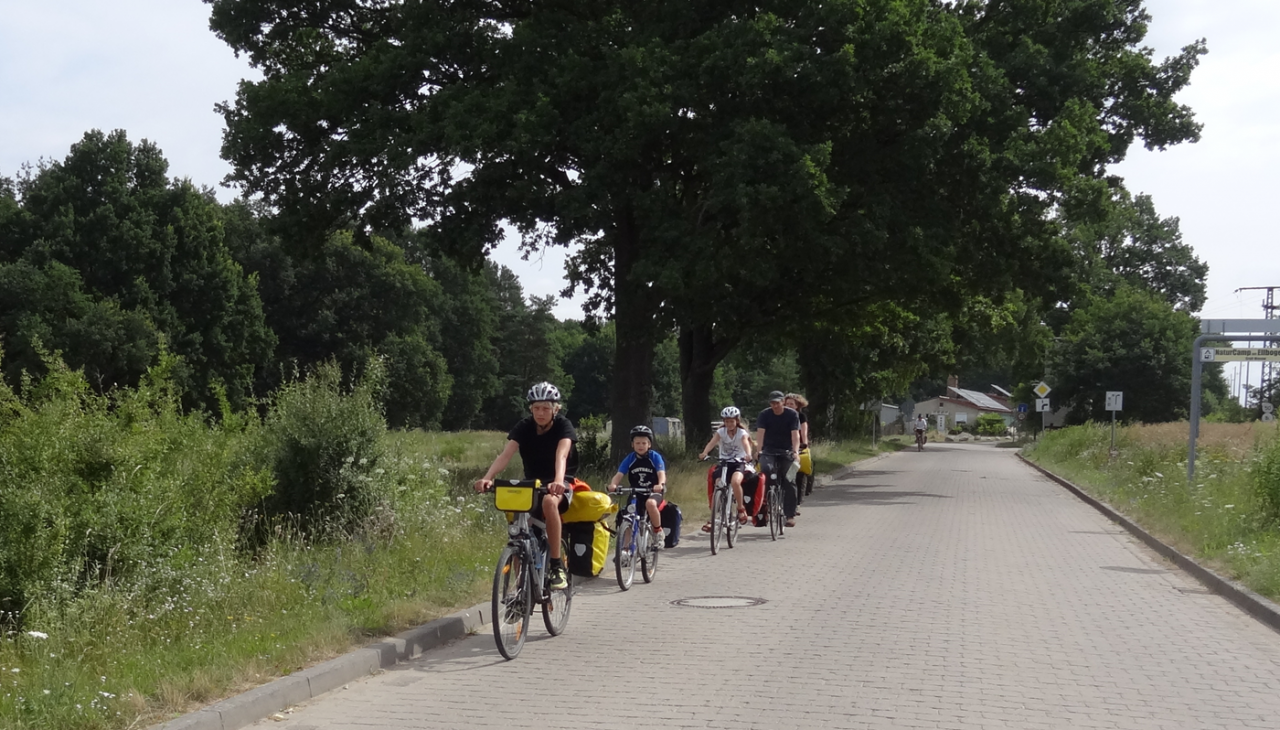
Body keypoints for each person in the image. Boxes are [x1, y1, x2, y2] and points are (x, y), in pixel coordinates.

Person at [475, 382, 579, 590]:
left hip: (561, 481)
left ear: (555, 409)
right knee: (518, 530)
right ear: (531, 409)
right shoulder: (524, 427)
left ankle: (557, 565)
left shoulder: (563, 426)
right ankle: (520, 587)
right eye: (536, 408)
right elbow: (505, 455)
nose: (540, 413)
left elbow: (562, 455)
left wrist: (558, 481)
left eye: (546, 408)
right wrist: (487, 477)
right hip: (533, 482)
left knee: (550, 502)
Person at [607, 425, 667, 548]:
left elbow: (661, 474)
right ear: (632, 445)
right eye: (637, 443)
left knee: (650, 504)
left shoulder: (654, 457)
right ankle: (626, 549)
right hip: (636, 492)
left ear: (649, 444)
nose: (640, 446)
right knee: (627, 517)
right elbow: (619, 474)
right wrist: (613, 485)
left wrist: (660, 484)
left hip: (652, 492)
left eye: (644, 443)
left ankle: (658, 532)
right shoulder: (630, 459)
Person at [697, 406, 753, 531]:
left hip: (738, 462)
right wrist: (705, 453)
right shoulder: (721, 432)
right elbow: (712, 442)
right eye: (726, 421)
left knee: (735, 482)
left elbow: (745, 443)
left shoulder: (741, 433)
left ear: (737, 421)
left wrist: (748, 454)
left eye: (731, 421)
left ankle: (740, 508)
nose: (729, 424)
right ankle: (715, 516)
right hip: (724, 462)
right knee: (718, 484)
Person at [756, 390, 801, 528]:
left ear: (783, 402)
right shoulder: (764, 415)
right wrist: (758, 451)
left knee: (790, 478)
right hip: (769, 450)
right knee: (766, 471)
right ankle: (768, 505)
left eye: (777, 402)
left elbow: (795, 435)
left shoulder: (792, 414)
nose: (775, 405)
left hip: (786, 450)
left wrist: (795, 452)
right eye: (772, 403)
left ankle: (790, 515)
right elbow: (760, 434)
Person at [783, 393, 811, 506]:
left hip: (797, 446)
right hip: (782, 446)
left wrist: (804, 443)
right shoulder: (780, 415)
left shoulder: (801, 417)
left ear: (797, 406)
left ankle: (796, 502)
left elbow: (803, 432)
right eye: (787, 403)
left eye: (791, 404)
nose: (789, 406)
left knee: (797, 472)